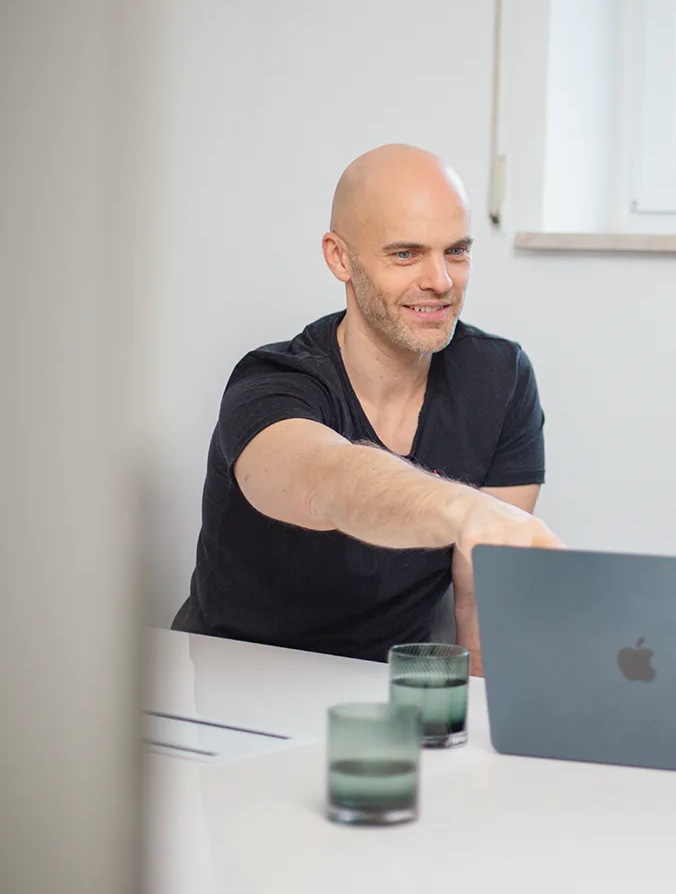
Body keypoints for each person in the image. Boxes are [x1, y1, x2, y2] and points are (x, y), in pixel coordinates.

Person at [173, 144, 559, 669]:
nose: (441, 281)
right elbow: (328, 480)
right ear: (339, 257)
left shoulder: (500, 378)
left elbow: (481, 611)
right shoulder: (271, 384)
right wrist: (463, 509)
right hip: (238, 681)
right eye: (406, 254)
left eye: (457, 251)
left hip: (385, 689)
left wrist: (487, 738)